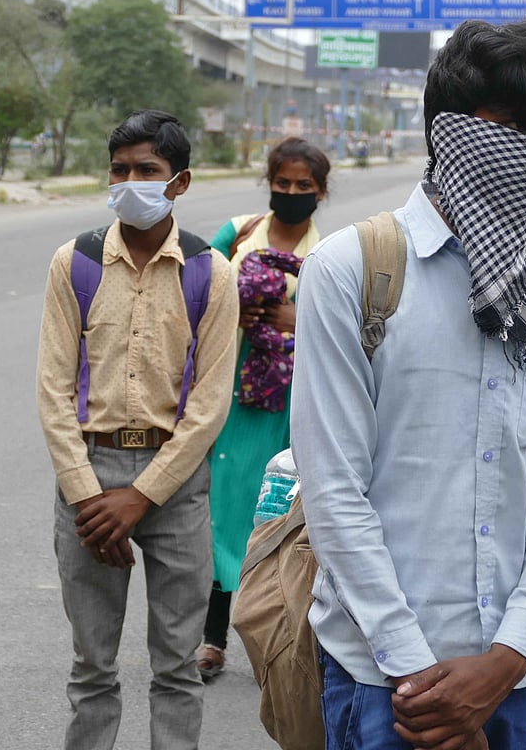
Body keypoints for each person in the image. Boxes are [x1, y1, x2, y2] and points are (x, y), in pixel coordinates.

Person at [290, 16, 526, 749]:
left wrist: (503, 664)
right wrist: (424, 687)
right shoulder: (351, 271)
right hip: (381, 683)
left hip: (518, 683)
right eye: (511, 126)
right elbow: (334, 489)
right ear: (448, 132)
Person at [36, 110, 239, 750]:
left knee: (177, 668)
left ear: (178, 182)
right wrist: (86, 493)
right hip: (90, 482)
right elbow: (53, 388)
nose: (130, 182)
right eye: (119, 170)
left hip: (175, 489)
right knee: (92, 667)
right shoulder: (76, 263)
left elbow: (209, 404)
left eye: (146, 171)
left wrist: (142, 494)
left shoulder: (212, 273)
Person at [197, 137, 327, 678]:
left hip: (292, 401)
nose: (292, 193)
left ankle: (277, 642)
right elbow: (195, 290)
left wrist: (299, 320)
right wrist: (238, 309)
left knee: (276, 514)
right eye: (283, 183)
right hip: (232, 391)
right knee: (225, 507)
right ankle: (211, 638)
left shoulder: (330, 252)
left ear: (321, 191)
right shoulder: (238, 234)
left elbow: (347, 326)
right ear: (269, 182)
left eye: (303, 186)